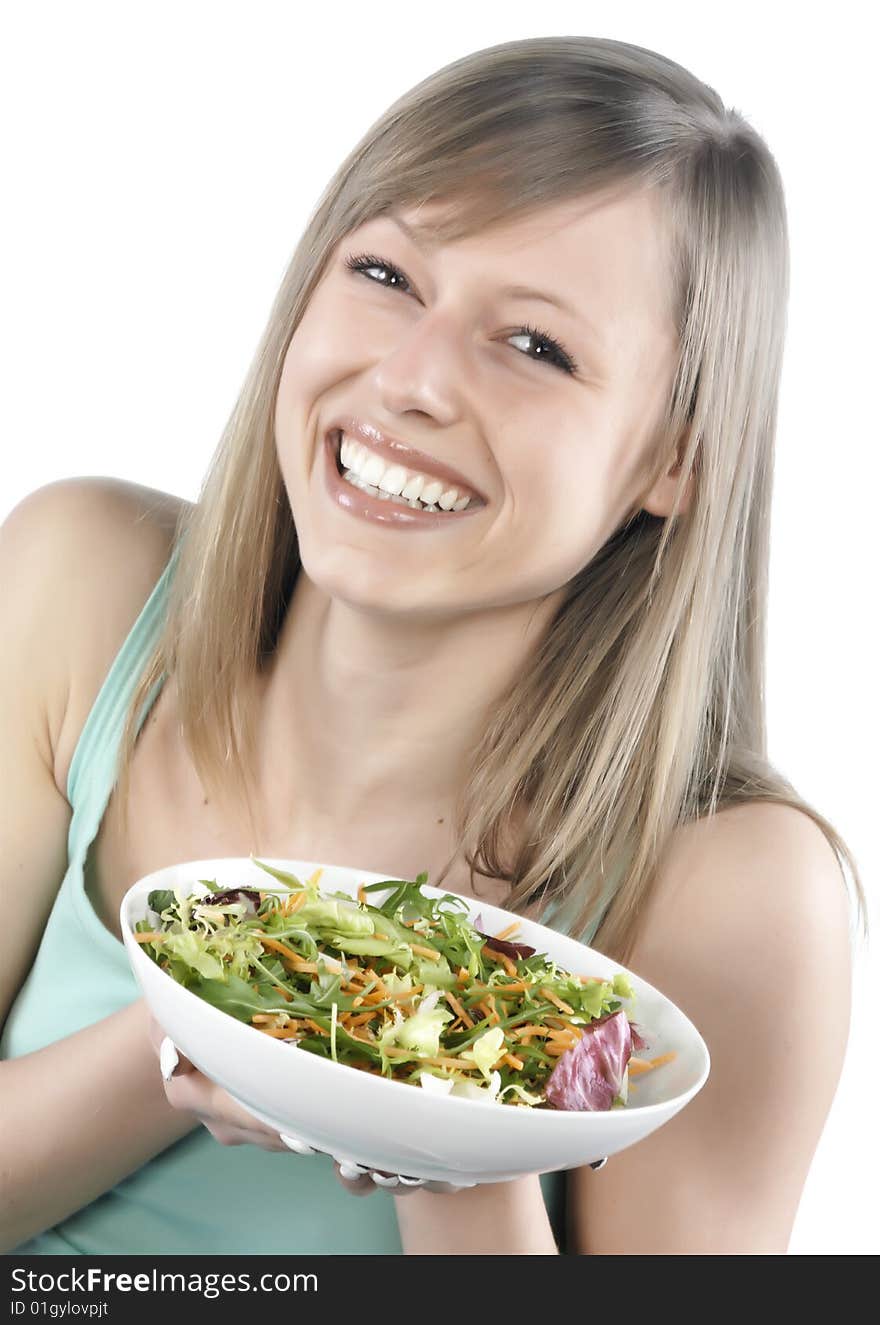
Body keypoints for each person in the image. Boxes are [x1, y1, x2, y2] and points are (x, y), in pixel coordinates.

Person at [0, 34, 865, 1256]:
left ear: (676, 459)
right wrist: (233, 1018)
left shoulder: (734, 889)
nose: (408, 379)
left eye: (535, 346)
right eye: (386, 273)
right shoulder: (79, 585)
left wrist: (432, 1124)